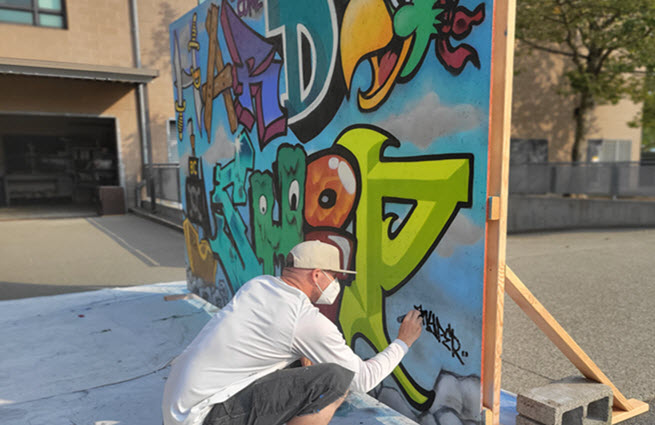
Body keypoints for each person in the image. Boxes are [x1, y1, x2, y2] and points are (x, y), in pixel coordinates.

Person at [162, 240, 424, 425]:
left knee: (305, 366)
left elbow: (270, 342)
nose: (338, 283)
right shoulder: (303, 319)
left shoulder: (258, 285)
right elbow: (362, 379)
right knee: (335, 379)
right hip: (206, 418)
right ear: (318, 275)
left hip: (179, 410)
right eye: (335, 276)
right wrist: (403, 341)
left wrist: (301, 356)